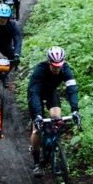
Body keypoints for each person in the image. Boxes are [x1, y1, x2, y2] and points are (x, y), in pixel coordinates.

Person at [27, 46, 80, 175]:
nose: (57, 68)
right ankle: (37, 162)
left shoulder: (65, 69)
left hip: (51, 93)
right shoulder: (40, 70)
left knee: (57, 118)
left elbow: (72, 90)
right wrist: (38, 115)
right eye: (55, 65)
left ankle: (54, 151)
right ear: (49, 62)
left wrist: (75, 110)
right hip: (36, 94)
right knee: (37, 128)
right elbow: (34, 94)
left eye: (60, 65)